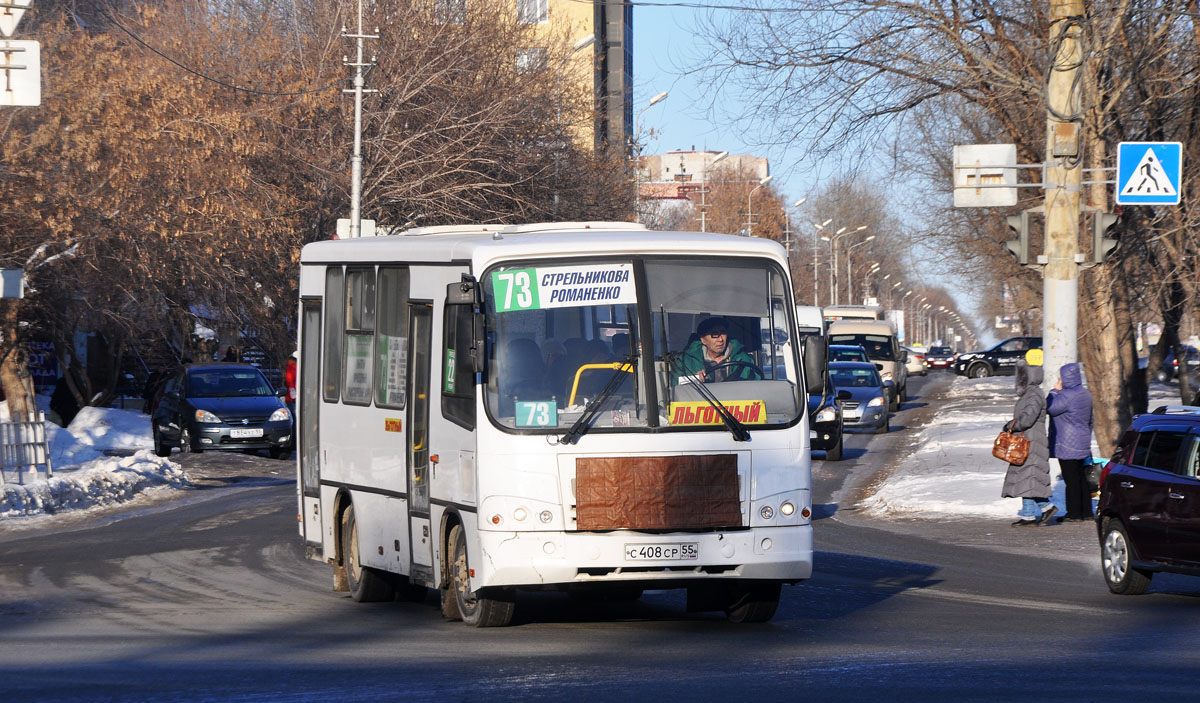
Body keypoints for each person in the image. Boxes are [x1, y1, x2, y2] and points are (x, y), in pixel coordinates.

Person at [1001, 350, 1056, 527]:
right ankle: (1028, 515)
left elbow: (1027, 418)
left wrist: (1011, 425)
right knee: (1027, 477)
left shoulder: (1034, 394)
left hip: (1032, 441)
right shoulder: (1031, 393)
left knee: (1030, 476)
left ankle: (1046, 507)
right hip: (1028, 440)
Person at [1047, 362, 1094, 523]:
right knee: (1082, 477)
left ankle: (1073, 513)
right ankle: (1086, 512)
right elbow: (1090, 419)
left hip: (1067, 443)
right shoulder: (1085, 394)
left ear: (1065, 378)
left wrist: (1054, 391)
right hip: (1083, 440)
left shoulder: (1066, 396)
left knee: (1071, 479)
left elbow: (1051, 408)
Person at [676, 316, 758, 383]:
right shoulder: (685, 362)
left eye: (723, 333)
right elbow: (676, 387)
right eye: (714, 334)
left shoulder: (744, 359)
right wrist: (695, 379)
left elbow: (757, 385)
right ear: (703, 340)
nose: (720, 339)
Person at [284, 352, 298, 417]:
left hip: (291, 398)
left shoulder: (290, 368)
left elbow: (289, 381)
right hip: (293, 397)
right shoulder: (294, 368)